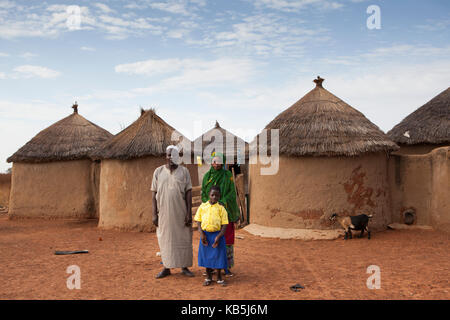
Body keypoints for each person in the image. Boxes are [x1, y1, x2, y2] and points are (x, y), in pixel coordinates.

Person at [151, 145, 194, 279]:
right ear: (166, 156)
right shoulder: (158, 172)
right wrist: (154, 213)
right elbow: (154, 194)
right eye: (168, 155)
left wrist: (188, 213)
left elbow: (188, 193)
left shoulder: (184, 172)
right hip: (164, 214)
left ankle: (184, 267)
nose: (170, 157)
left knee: (183, 239)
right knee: (165, 240)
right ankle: (166, 267)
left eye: (173, 155)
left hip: (181, 213)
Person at [201, 152, 240, 277]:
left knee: (225, 240)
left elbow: (232, 193)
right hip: (210, 214)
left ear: (222, 162)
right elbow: (203, 194)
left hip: (224, 212)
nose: (216, 163)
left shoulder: (227, 175)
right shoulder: (207, 176)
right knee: (210, 239)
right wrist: (209, 205)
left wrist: (222, 202)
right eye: (214, 161)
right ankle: (211, 267)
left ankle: (226, 267)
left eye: (218, 161)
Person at [194, 185, 228, 286]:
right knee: (207, 257)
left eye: (217, 196)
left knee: (218, 257)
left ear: (219, 196)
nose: (214, 197)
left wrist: (219, 236)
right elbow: (198, 221)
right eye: (212, 195)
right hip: (205, 236)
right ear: (209, 195)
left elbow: (224, 224)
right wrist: (201, 233)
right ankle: (208, 277)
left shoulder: (221, 209)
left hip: (217, 236)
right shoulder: (202, 207)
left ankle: (219, 278)